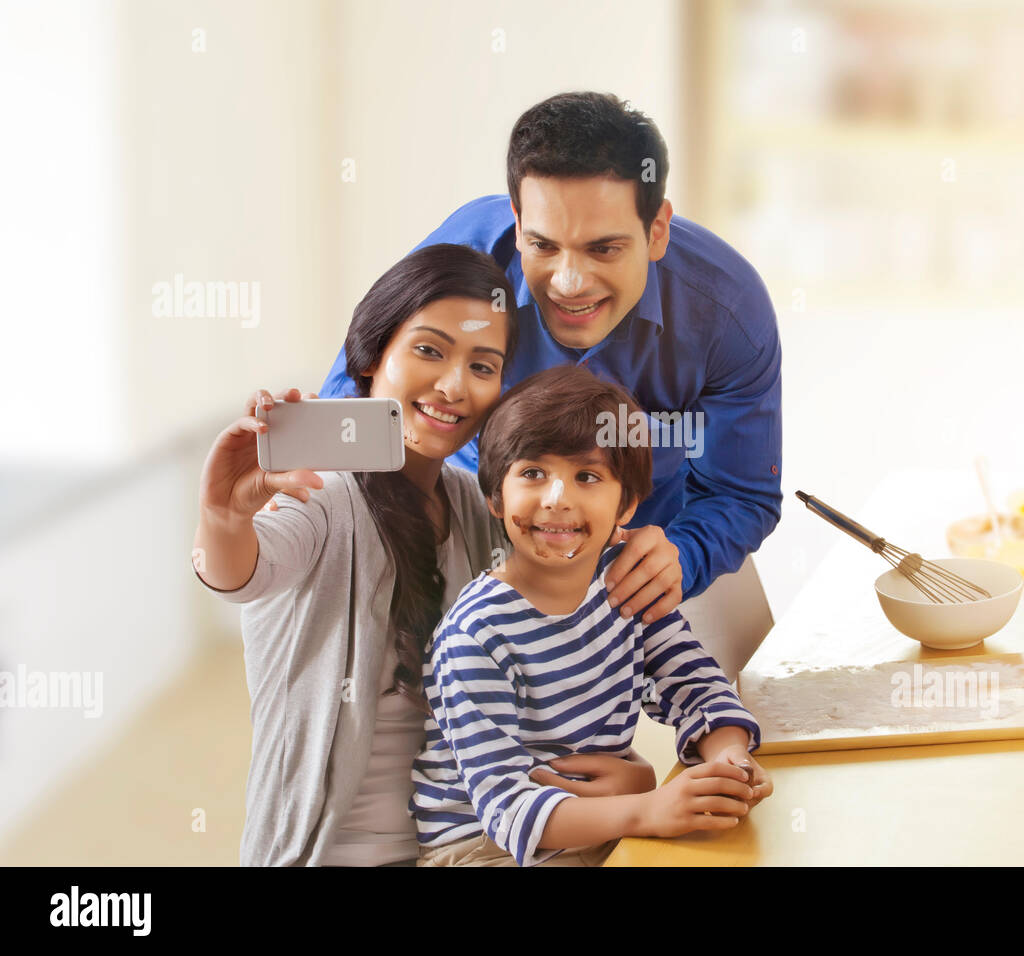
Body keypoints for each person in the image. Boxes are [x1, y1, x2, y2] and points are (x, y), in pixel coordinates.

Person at [193, 245, 678, 866]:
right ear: (371, 358)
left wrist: (632, 773)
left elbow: (548, 680)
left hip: (470, 843)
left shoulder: (483, 511)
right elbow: (242, 574)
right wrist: (223, 516)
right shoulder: (320, 495)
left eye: (483, 365)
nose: (453, 385)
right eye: (428, 351)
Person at [319, 92, 783, 632]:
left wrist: (683, 554)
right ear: (517, 223)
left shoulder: (728, 311)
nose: (568, 284)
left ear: (657, 230)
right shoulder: (468, 257)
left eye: (603, 250)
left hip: (639, 556)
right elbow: (358, 394)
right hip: (472, 532)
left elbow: (741, 492)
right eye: (543, 246)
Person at [413, 365, 772, 868]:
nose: (558, 499)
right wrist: (648, 809)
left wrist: (729, 758)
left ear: (626, 504)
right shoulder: (476, 635)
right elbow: (508, 810)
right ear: (495, 497)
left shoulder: (623, 585)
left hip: (601, 822)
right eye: (533, 473)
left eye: (586, 476)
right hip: (485, 848)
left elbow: (693, 684)